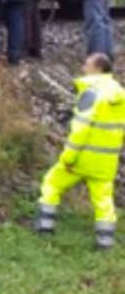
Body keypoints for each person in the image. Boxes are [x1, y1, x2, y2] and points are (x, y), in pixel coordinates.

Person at [36, 53, 125, 249]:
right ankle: (105, 241)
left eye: (86, 65)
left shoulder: (91, 93)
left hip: (82, 158)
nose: (83, 68)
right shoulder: (120, 93)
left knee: (52, 182)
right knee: (103, 199)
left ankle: (44, 227)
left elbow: (81, 130)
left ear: (98, 68)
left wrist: (68, 157)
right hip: (106, 161)